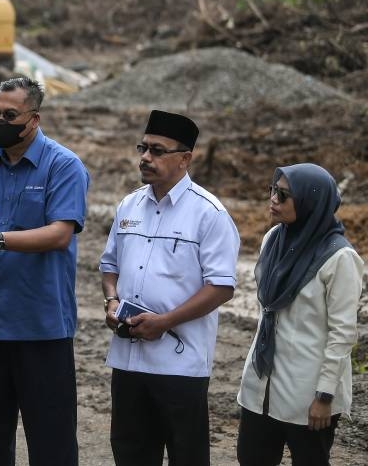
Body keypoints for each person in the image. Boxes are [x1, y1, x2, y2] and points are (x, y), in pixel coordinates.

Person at [0, 76, 89, 466]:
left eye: (11, 115)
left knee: (51, 441)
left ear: (34, 119)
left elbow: (60, 234)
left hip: (42, 328)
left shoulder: (63, 166)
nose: (0, 122)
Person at [100, 109, 240, 466]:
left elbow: (222, 286)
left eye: (157, 151)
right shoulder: (129, 205)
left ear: (185, 159)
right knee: (130, 453)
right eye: (143, 148)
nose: (146, 158)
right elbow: (109, 265)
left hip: (180, 365)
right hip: (129, 360)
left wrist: (166, 321)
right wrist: (112, 301)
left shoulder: (209, 214)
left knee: (186, 456)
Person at [236, 164, 364, 466]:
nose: (273, 200)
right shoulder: (273, 241)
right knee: (251, 458)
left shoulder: (339, 258)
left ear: (310, 202)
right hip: (260, 383)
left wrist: (324, 397)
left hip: (307, 394)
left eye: (284, 195)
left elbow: (342, 334)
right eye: (272, 190)